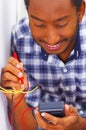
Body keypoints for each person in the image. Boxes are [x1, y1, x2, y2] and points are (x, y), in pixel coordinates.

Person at [1, 0, 86, 129]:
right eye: (38, 24)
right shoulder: (21, 40)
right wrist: (16, 97)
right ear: (28, 13)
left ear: (80, 12)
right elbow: (26, 126)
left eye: (61, 24)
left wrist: (80, 126)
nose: (51, 39)